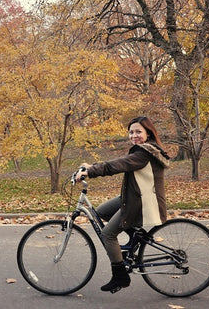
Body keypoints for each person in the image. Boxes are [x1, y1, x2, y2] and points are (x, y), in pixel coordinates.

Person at [75, 116, 170, 293]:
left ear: (147, 133)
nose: (134, 135)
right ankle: (137, 235)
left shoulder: (144, 152)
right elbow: (119, 162)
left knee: (108, 235)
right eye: (131, 132)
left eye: (138, 132)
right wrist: (91, 166)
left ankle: (120, 277)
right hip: (134, 196)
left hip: (142, 201)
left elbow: (118, 165)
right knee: (102, 211)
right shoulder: (142, 150)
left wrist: (90, 171)